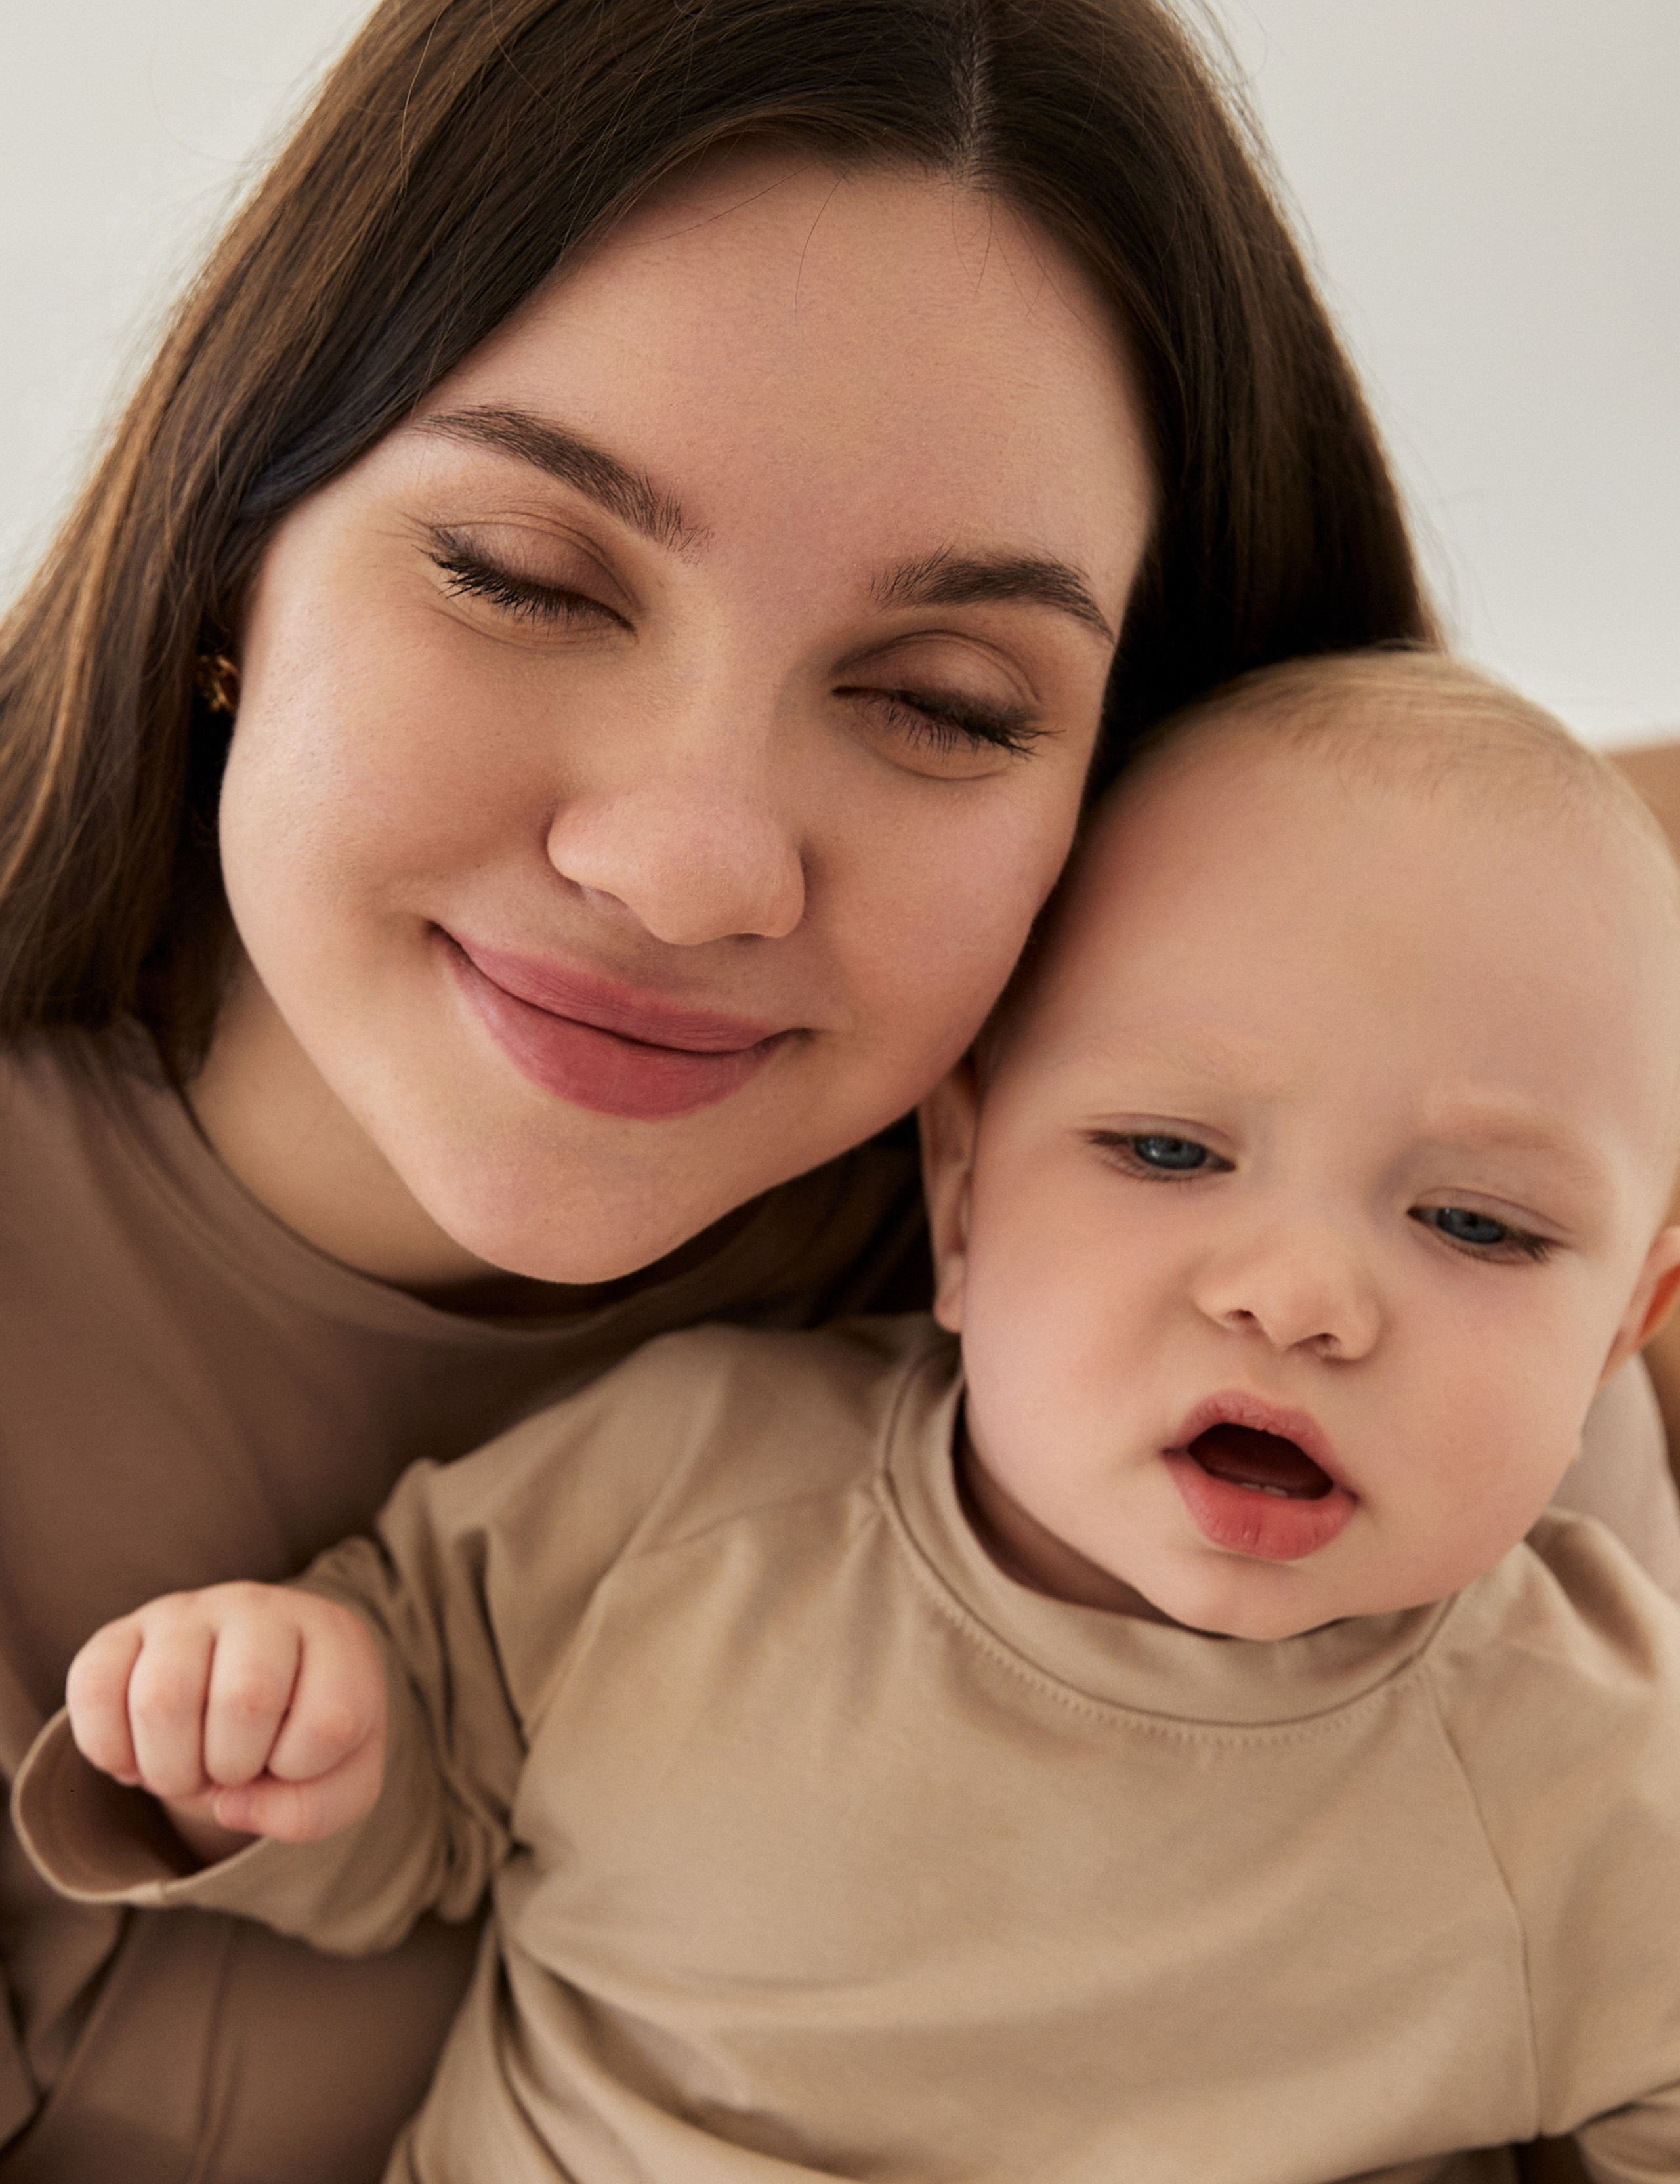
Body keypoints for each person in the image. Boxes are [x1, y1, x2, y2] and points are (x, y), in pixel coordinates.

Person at [0, 0, 1670, 2181]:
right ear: (225, 551)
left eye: (952, 702)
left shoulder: (1365, 1316)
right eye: (520, 573)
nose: (693, 858)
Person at [24, 650, 1680, 2184]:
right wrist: (268, 1734)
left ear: (1622, 1328)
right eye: (1168, 1153)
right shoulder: (692, 1489)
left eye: (1476, 1226)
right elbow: (411, 1782)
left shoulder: (1591, 1778)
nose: (1300, 1297)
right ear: (960, 1197)